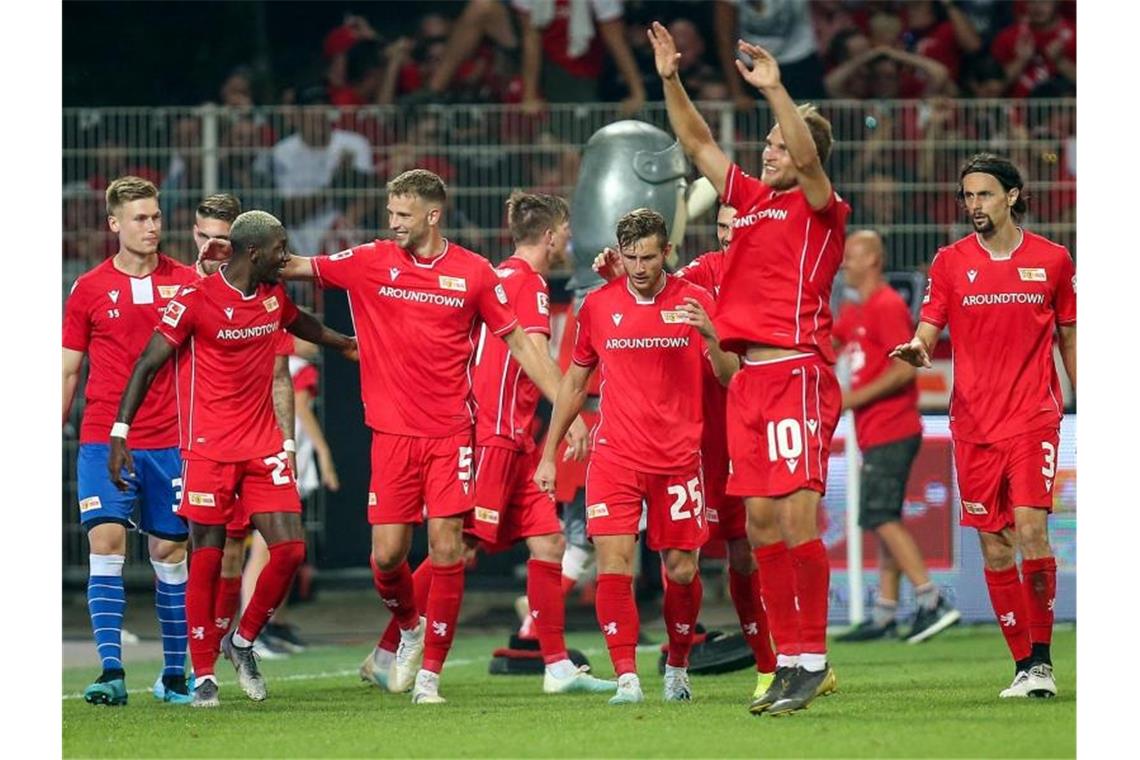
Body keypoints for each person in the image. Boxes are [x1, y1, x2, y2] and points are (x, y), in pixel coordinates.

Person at [279, 169, 587, 704]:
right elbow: (299, 267)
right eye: (390, 213)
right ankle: (400, 637)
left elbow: (522, 348)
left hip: (456, 435)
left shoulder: (476, 273)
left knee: (456, 549)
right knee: (388, 558)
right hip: (401, 436)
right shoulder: (371, 260)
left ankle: (435, 677)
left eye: (403, 214)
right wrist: (239, 254)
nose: (394, 222)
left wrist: (567, 407)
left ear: (432, 214)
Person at [648, 21, 849, 716]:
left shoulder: (821, 210)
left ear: (804, 156)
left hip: (796, 371)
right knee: (759, 523)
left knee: (797, 521)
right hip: (750, 380)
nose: (767, 153)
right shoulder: (751, 204)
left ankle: (813, 658)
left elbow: (804, 152)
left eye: (776, 145)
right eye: (764, 145)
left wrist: (777, 91)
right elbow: (699, 142)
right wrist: (671, 80)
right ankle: (789, 660)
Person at [358, 192, 610, 695]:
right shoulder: (527, 284)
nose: (569, 241)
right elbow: (533, 351)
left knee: (551, 542)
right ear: (552, 235)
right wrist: (573, 413)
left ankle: (556, 665)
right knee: (460, 546)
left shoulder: (498, 276)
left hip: (513, 439)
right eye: (566, 232)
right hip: (492, 436)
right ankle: (388, 650)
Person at [108, 210, 357, 708]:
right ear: (254, 252)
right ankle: (204, 674)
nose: (287, 257)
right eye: (281, 248)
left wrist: (343, 343)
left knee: (289, 551)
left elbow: (299, 321)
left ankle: (241, 641)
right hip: (209, 448)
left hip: (263, 445)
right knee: (208, 554)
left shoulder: (272, 296)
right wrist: (121, 431)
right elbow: (148, 363)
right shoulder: (196, 300)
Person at [891, 153, 1076, 699]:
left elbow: (1069, 332)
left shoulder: (1053, 260)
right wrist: (919, 348)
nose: (974, 205)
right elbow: (929, 326)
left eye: (985, 195)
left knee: (1030, 529)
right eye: (968, 196)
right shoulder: (949, 262)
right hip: (972, 423)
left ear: (1013, 196)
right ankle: (1022, 665)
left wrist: (1082, 393)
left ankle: (1042, 663)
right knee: (995, 548)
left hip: (1033, 418)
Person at [535, 208, 736, 706]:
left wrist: (711, 334)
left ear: (667, 252)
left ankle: (679, 665)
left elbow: (731, 376)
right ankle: (626, 677)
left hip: (679, 459)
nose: (640, 267)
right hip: (617, 456)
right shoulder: (598, 306)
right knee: (614, 566)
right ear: (619, 256)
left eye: (649, 256)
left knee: (683, 571)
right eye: (631, 258)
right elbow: (575, 383)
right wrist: (549, 453)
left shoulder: (696, 300)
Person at [593, 204, 778, 699]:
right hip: (691, 433)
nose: (727, 237)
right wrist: (620, 274)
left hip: (744, 428)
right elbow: (650, 293)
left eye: (736, 228)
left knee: (748, 546)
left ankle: (770, 665)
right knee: (686, 558)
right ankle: (656, 668)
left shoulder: (778, 276)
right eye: (720, 228)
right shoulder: (700, 276)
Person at [63, 176, 199, 706]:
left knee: (169, 551)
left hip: (170, 440)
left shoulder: (187, 283)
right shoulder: (90, 288)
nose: (152, 226)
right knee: (106, 543)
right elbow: (68, 368)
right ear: (114, 224)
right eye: (140, 218)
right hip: (103, 438)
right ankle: (111, 672)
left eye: (157, 217)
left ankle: (172, 677)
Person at [832, 230, 961, 644]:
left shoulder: (887, 306)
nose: (844, 264)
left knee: (880, 516)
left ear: (872, 259)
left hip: (893, 428)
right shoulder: (856, 312)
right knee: (885, 516)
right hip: (878, 431)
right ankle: (886, 612)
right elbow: (830, 343)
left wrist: (850, 400)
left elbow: (905, 369)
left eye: (851, 256)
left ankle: (931, 599)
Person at [191, 194, 301, 661]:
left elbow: (280, 376)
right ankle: (183, 663)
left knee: (235, 550)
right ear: (194, 235)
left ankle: (226, 646)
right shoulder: (182, 289)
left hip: (254, 442)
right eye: (205, 236)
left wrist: (288, 441)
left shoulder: (267, 296)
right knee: (177, 554)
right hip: (193, 441)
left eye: (222, 238)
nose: (212, 246)